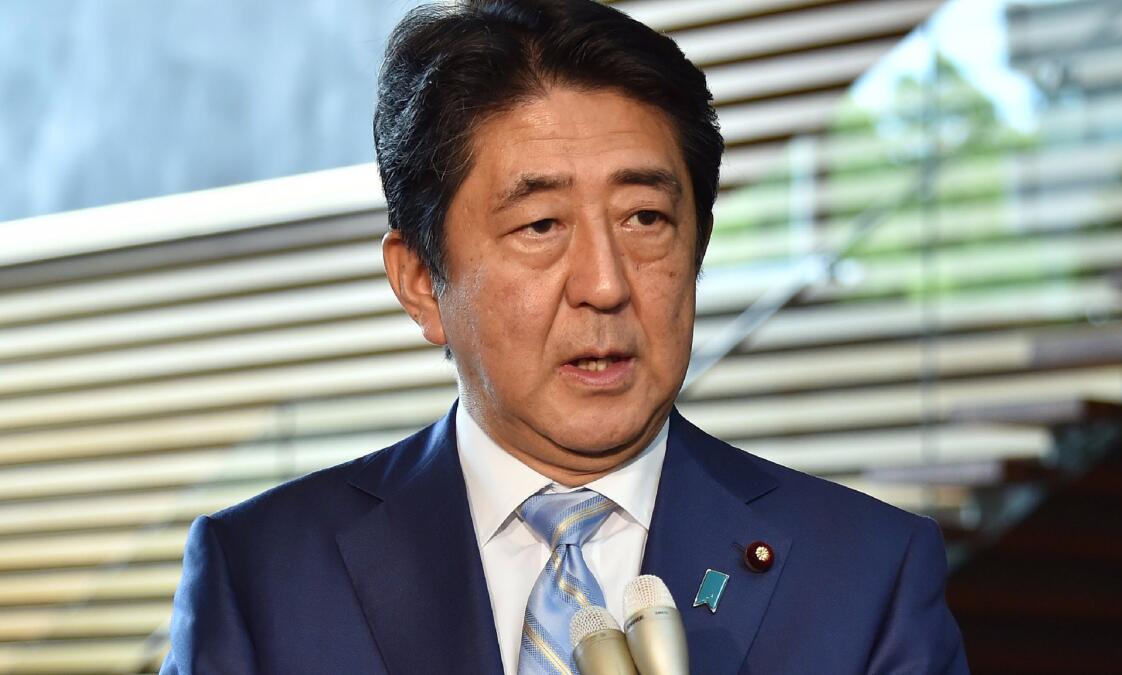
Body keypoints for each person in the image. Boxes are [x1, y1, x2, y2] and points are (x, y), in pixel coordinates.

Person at [160, 0, 969, 673]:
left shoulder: (865, 577)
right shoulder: (265, 575)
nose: (606, 283)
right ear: (419, 281)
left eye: (646, 218)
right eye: (541, 224)